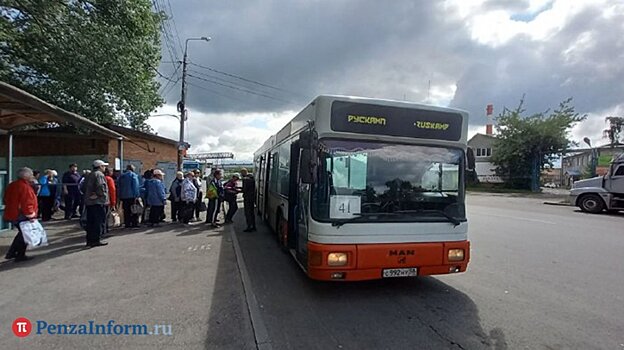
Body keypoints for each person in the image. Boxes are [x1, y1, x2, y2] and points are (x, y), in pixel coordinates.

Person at [4, 167, 39, 262]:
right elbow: (27, 203)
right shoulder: (24, 187)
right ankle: (19, 254)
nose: (32, 176)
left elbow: (6, 198)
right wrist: (31, 215)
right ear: (25, 176)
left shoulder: (13, 185)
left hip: (13, 213)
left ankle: (12, 252)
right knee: (25, 234)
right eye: (31, 174)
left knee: (22, 234)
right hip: (21, 215)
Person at [82, 160, 109, 247]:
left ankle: (89, 240)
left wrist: (88, 194)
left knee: (90, 222)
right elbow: (101, 187)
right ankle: (96, 240)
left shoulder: (89, 175)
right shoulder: (99, 174)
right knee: (98, 221)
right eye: (104, 166)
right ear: (100, 166)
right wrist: (100, 195)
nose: (105, 168)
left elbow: (82, 187)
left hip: (89, 202)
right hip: (97, 202)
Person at [118, 164, 140, 229]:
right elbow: (135, 186)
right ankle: (134, 224)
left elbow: (119, 186)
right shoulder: (133, 175)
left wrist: (120, 195)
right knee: (133, 210)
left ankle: (127, 223)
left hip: (123, 196)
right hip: (132, 196)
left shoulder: (121, 176)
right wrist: (136, 195)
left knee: (126, 210)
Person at [241, 168, 257, 232]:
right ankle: (253, 226)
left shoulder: (245, 179)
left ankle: (249, 227)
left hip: (247, 198)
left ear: (243, 173)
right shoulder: (252, 178)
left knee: (247, 213)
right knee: (252, 212)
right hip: (252, 197)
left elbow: (244, 189)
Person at [103, 168, 117, 236]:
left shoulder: (102, 178)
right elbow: (112, 191)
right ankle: (105, 231)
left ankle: (103, 230)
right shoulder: (109, 179)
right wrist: (113, 202)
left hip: (101, 200)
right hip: (108, 200)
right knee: (106, 216)